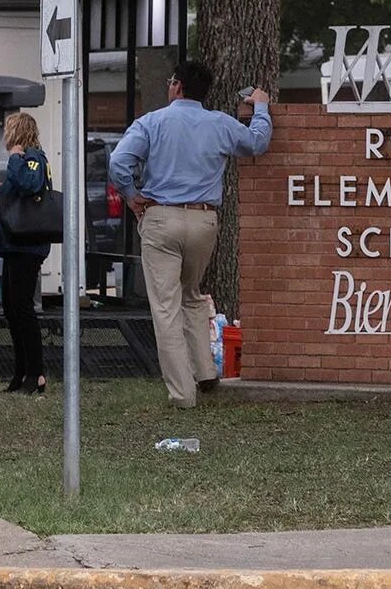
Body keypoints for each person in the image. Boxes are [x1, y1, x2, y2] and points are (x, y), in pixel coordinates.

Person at [109, 61, 272, 408]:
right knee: (193, 294)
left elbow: (119, 162)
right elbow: (257, 143)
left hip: (160, 219)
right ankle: (204, 371)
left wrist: (131, 194)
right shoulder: (219, 124)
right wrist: (260, 106)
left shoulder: (151, 122)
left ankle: (183, 393)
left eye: (171, 82)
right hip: (203, 220)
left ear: (177, 87)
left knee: (166, 307)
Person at [0, 110, 50, 394]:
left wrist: (14, 158)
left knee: (23, 308)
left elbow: (30, 183)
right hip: (14, 245)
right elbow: (20, 188)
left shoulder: (32, 157)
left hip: (27, 245)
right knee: (12, 308)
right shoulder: (25, 161)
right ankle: (21, 370)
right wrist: (3, 188)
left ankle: (35, 373)